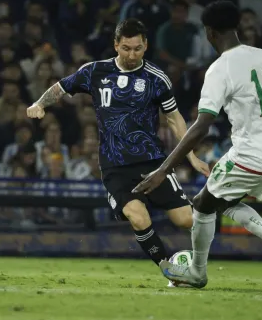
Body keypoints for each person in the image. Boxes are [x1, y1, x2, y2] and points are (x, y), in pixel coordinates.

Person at [134, 1, 262, 287]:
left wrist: (163, 170)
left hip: (253, 154)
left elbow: (201, 126)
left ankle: (197, 272)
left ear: (209, 32)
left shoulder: (220, 69)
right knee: (222, 201)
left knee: (201, 205)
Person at [26, 19, 210, 281]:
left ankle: (200, 258)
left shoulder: (156, 78)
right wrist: (40, 104)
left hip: (153, 163)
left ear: (146, 46)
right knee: (138, 217)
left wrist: (190, 156)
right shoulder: (95, 71)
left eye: (137, 49)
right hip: (115, 166)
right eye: (126, 48)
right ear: (115, 45)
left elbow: (174, 118)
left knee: (186, 220)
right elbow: (61, 87)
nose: (132, 55)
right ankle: (168, 267)